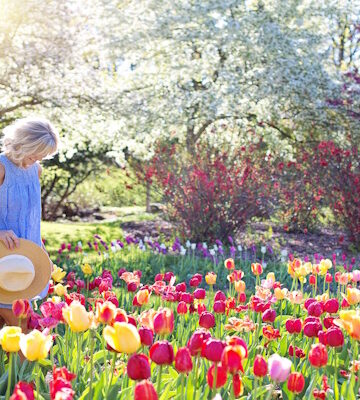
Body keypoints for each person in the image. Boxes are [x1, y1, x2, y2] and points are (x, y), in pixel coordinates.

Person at [0, 117, 59, 329]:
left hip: (24, 262)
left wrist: (41, 253)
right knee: (22, 335)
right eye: (34, 155)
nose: (36, 160)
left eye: (41, 157)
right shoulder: (1, 167)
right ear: (21, 144)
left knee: (15, 338)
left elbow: (30, 218)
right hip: (3, 258)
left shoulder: (36, 171)